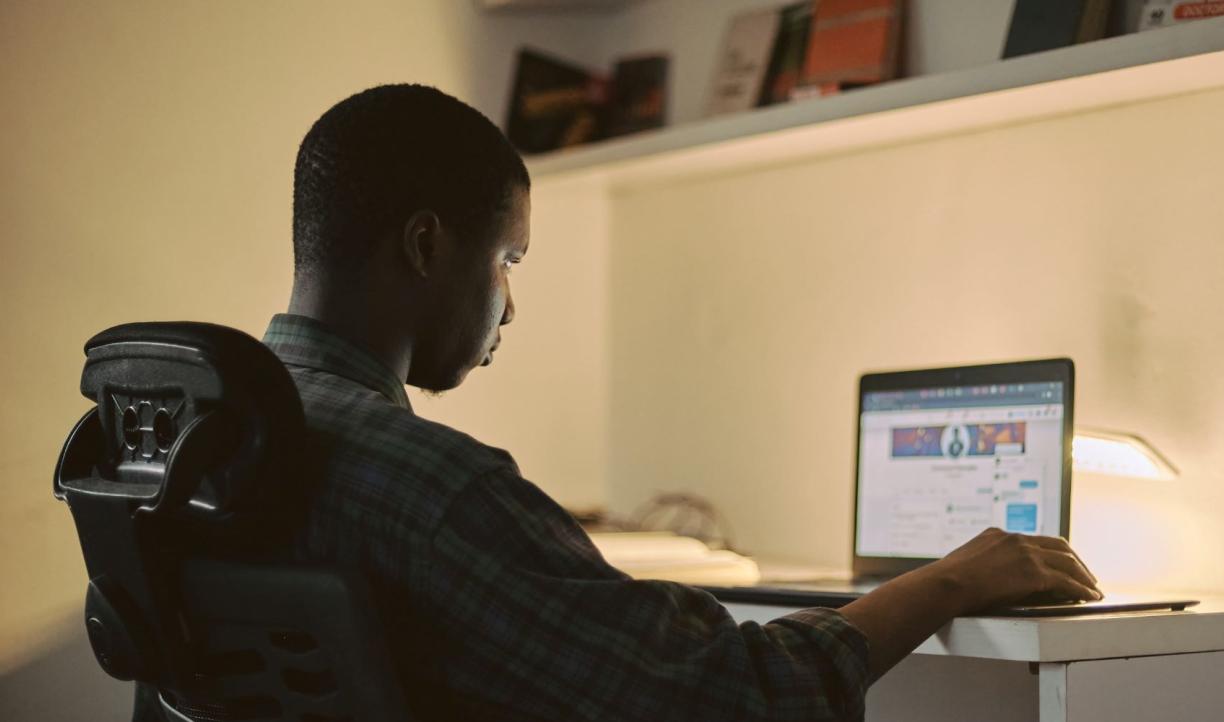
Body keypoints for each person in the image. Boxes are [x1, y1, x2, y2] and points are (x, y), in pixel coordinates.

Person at [256, 84, 1101, 721]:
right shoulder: (432, 488)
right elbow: (731, 696)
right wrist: (951, 578)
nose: (509, 304)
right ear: (427, 245)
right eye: (508, 259)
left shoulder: (194, 432)